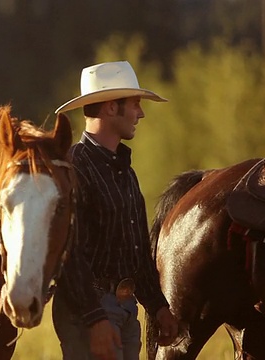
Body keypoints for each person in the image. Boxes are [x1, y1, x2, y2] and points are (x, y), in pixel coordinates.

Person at [52, 60, 179, 360]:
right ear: (111, 108)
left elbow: (135, 249)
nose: (141, 113)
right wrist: (95, 319)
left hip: (123, 307)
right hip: (89, 309)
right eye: (135, 104)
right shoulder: (75, 168)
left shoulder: (123, 170)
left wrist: (158, 306)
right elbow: (71, 257)